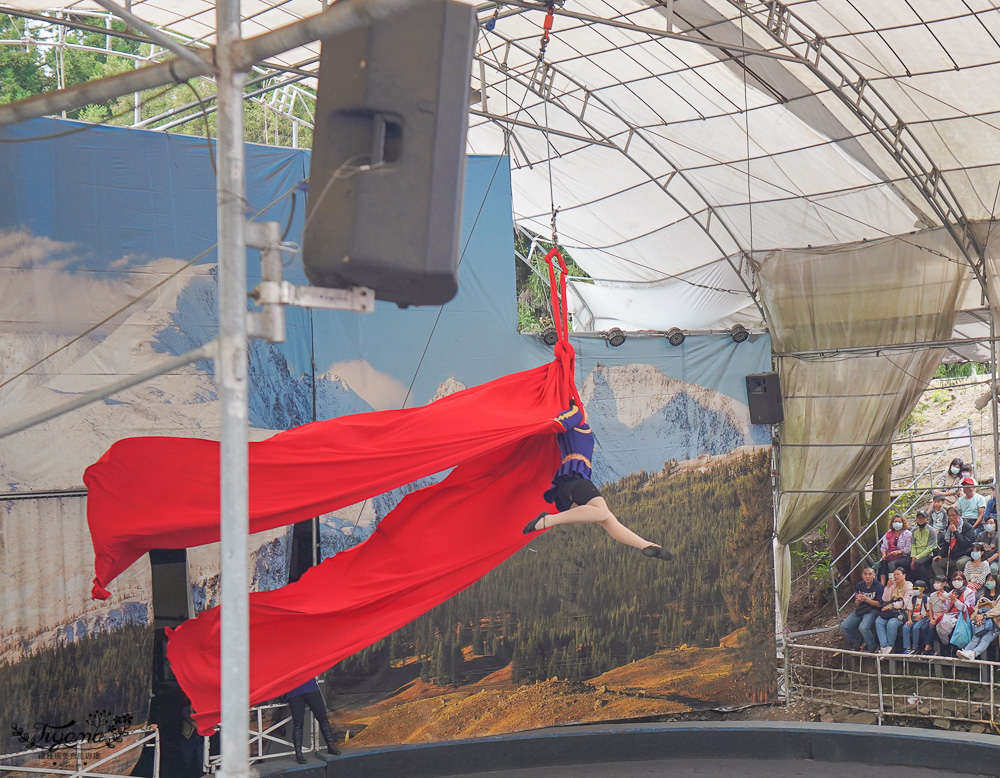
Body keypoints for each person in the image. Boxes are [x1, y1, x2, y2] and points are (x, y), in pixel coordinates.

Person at [525, 404, 673, 560]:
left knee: (606, 519)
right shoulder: (577, 415)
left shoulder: (582, 424)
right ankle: (546, 520)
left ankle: (647, 546)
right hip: (574, 479)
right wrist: (574, 409)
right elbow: (560, 423)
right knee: (603, 513)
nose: (584, 407)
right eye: (581, 404)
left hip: (571, 486)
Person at [286, 677, 340, 764]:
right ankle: (299, 754)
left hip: (309, 687)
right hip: (295, 690)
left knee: (322, 718)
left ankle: (331, 746)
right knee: (298, 724)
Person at [841, 567, 884, 652]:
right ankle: (857, 641)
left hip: (873, 610)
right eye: (865, 574)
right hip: (861, 609)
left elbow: (879, 604)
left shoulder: (879, 586)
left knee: (863, 627)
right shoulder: (859, 585)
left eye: (870, 574)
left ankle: (872, 647)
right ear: (862, 576)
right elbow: (856, 604)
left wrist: (867, 599)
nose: (867, 576)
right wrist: (859, 600)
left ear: (874, 576)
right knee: (844, 626)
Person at [956, 586, 1000, 660]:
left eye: (992, 580)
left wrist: (984, 616)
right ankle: (965, 651)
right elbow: (976, 608)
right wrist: (976, 617)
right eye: (988, 580)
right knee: (976, 637)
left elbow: (997, 610)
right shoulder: (983, 596)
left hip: (994, 623)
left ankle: (974, 653)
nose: (989, 582)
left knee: (985, 639)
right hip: (981, 622)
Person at [876, 567, 912, 654]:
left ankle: (890, 646)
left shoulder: (908, 585)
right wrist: (888, 587)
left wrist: (892, 605)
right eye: (894, 575)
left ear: (904, 575)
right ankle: (884, 646)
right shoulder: (892, 584)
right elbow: (885, 599)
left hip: (901, 611)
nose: (895, 577)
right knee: (879, 621)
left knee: (891, 624)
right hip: (889, 611)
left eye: (898, 574)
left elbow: (906, 602)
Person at [935, 571, 976, 648]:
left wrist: (955, 600)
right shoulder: (951, 592)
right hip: (951, 615)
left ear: (964, 581)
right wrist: (943, 601)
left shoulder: (970, 592)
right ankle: (946, 646)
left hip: (963, 615)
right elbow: (946, 609)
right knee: (941, 624)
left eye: (959, 579)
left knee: (953, 625)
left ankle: (957, 649)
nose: (956, 581)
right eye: (954, 580)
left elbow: (965, 608)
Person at [932, 508, 974, 578]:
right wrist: (940, 554)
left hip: (964, 555)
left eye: (953, 515)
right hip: (952, 556)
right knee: (936, 563)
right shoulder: (949, 527)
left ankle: (960, 581)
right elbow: (946, 542)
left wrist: (955, 531)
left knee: (959, 563)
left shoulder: (968, 527)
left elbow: (964, 544)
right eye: (949, 516)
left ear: (959, 515)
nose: (951, 518)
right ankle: (943, 582)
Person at [902, 580, 932, 655]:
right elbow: (910, 609)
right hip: (914, 617)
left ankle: (915, 647)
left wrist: (922, 615)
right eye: (914, 588)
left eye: (917, 588)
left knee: (916, 627)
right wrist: (909, 619)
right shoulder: (913, 598)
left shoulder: (926, 599)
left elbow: (929, 611)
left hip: (923, 617)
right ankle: (907, 647)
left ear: (922, 589)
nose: (915, 590)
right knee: (905, 627)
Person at [878, 515, 912, 584]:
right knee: (882, 563)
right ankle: (882, 585)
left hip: (903, 556)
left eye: (899, 522)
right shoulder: (889, 533)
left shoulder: (907, 534)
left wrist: (898, 552)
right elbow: (883, 546)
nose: (897, 523)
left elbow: (908, 548)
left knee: (892, 563)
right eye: (895, 521)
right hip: (889, 555)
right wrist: (884, 554)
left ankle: (894, 583)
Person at [925, 575, 951, 655]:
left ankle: (928, 647)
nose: (936, 584)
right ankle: (927, 647)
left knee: (932, 628)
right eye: (935, 582)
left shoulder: (947, 595)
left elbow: (947, 610)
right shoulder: (932, 595)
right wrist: (931, 618)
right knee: (924, 627)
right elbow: (930, 608)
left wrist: (943, 601)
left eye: (938, 582)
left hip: (942, 617)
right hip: (933, 616)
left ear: (944, 584)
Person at [908, 510, 937, 583]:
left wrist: (917, 558)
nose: (920, 520)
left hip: (928, 554)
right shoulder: (914, 530)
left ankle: (925, 583)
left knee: (918, 563)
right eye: (919, 518)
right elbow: (913, 545)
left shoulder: (932, 531)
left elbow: (930, 548)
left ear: (927, 519)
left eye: (922, 518)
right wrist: (913, 557)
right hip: (916, 554)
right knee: (903, 562)